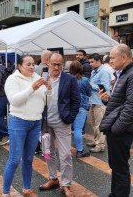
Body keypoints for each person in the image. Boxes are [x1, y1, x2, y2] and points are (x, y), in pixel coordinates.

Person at [99, 44, 133, 197]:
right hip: (117, 128)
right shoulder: (124, 74)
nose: (110, 60)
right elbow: (121, 102)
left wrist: (116, 128)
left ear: (124, 57)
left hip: (122, 130)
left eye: (113, 57)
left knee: (120, 168)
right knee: (116, 166)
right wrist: (108, 100)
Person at [2, 55, 52, 196]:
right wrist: (32, 88)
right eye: (28, 64)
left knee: (29, 159)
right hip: (18, 121)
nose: (31, 67)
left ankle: (26, 188)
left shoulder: (37, 77)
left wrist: (49, 89)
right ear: (20, 66)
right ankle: (5, 192)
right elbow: (14, 100)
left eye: (32, 64)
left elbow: (47, 101)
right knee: (14, 158)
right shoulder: (13, 80)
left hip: (36, 122)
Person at [39, 53, 80, 197]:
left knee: (66, 155)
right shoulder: (42, 79)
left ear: (62, 64)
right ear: (48, 63)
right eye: (53, 64)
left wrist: (70, 118)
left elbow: (76, 101)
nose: (56, 67)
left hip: (62, 122)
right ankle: (53, 178)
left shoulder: (70, 79)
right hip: (45, 123)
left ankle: (66, 184)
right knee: (48, 153)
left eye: (59, 64)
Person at [87, 53, 111, 153]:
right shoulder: (94, 71)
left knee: (99, 125)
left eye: (92, 62)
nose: (90, 64)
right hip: (93, 101)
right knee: (94, 124)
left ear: (99, 61)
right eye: (89, 62)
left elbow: (105, 88)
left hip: (100, 102)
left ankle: (100, 145)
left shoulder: (104, 71)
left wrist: (91, 85)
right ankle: (96, 140)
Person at [69, 61, 92, 158]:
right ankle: (79, 151)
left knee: (66, 129)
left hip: (69, 106)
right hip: (81, 105)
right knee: (78, 129)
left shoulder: (66, 79)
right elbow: (89, 93)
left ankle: (65, 150)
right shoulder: (85, 80)